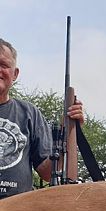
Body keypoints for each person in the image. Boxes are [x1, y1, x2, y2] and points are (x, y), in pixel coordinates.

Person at [0, 38, 84, 198]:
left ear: (15, 74)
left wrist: (68, 131)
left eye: (3, 65)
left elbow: (47, 173)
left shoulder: (29, 113)